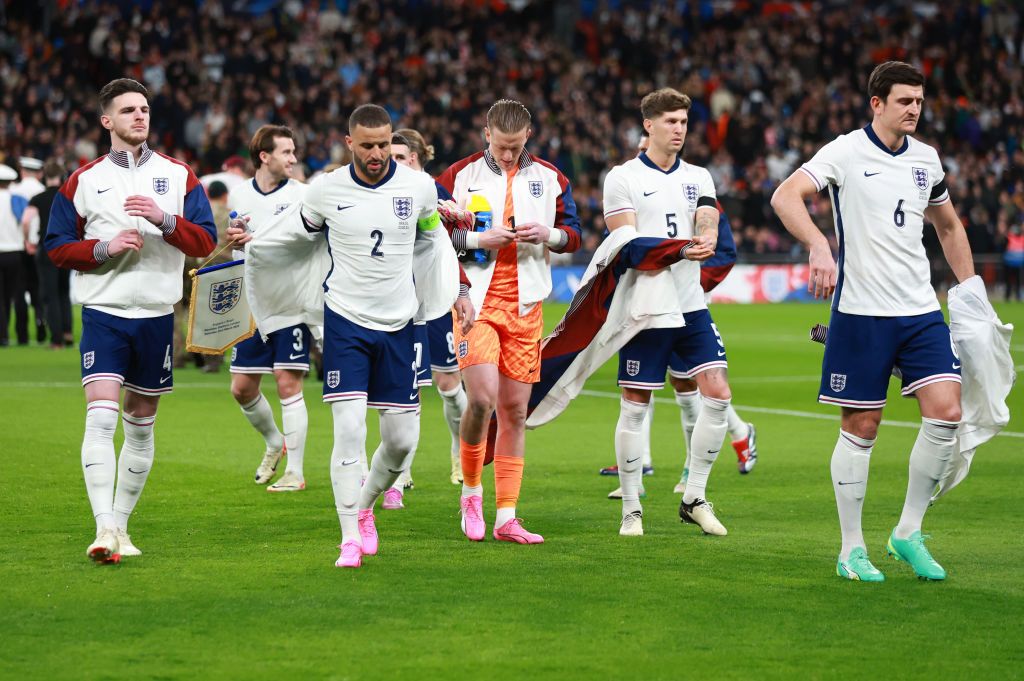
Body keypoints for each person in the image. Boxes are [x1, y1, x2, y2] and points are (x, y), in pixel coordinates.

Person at [230, 104, 471, 568]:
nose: (378, 153)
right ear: (349, 144)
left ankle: (364, 506)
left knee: (400, 442)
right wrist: (253, 238)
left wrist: (453, 263)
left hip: (401, 324)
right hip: (345, 321)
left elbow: (431, 241)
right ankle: (347, 537)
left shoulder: (417, 187)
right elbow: (293, 236)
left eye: (384, 144)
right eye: (368, 145)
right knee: (349, 430)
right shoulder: (327, 190)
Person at [771, 61, 973, 582]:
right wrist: (818, 244)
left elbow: (948, 227)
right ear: (876, 104)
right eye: (904, 100)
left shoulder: (927, 159)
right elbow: (784, 195)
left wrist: (970, 291)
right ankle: (851, 548)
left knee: (947, 414)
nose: (914, 110)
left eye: (920, 102)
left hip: (921, 310)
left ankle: (907, 531)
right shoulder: (845, 150)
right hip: (861, 312)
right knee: (863, 426)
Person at [45, 78, 217, 564]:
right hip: (105, 313)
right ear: (108, 122)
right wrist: (104, 248)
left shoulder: (178, 176)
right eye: (128, 111)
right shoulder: (84, 180)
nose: (139, 116)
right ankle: (102, 530)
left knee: (140, 426)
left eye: (143, 109)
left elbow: (205, 241)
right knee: (100, 417)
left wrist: (165, 220)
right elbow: (57, 248)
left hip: (157, 318)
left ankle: (121, 525)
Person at [437, 99, 582, 544]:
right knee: (481, 399)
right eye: (500, 146)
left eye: (515, 147)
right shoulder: (458, 177)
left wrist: (550, 235)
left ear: (528, 138)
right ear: (486, 135)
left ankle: (507, 516)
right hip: (472, 302)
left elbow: (573, 234)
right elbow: (431, 237)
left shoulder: (550, 178)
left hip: (526, 306)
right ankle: (472, 494)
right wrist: (482, 238)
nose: (506, 155)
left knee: (515, 410)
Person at [602, 88, 734, 538]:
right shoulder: (621, 178)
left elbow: (707, 214)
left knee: (717, 394)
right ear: (649, 126)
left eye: (683, 122)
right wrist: (681, 248)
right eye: (671, 122)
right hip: (646, 306)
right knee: (636, 406)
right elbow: (626, 244)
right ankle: (632, 508)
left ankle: (694, 496)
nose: (679, 129)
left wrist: (708, 235)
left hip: (690, 304)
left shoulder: (699, 174)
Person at [381, 128, 469, 511]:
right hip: (399, 305)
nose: (394, 163)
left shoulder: (434, 193)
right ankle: (400, 475)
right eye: (391, 156)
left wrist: (462, 290)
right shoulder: (382, 192)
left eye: (401, 157)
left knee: (450, 386)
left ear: (416, 157)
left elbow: (454, 246)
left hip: (433, 302)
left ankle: (460, 451)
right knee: (405, 389)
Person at [226, 125, 311, 492]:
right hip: (252, 302)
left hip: (291, 301)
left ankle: (296, 471)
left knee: (287, 382)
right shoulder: (240, 193)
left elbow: (306, 243)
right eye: (286, 152)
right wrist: (235, 239)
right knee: (242, 389)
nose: (293, 159)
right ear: (264, 156)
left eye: (294, 151)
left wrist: (256, 240)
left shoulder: (303, 196)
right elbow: (237, 248)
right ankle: (275, 441)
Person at [21, 161, 73, 349]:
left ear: (45, 176)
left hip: (47, 248)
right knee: (64, 292)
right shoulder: (68, 197)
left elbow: (26, 221)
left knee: (50, 294)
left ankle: (56, 339)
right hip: (67, 247)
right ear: (62, 176)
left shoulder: (38, 198)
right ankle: (67, 333)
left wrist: (28, 241)